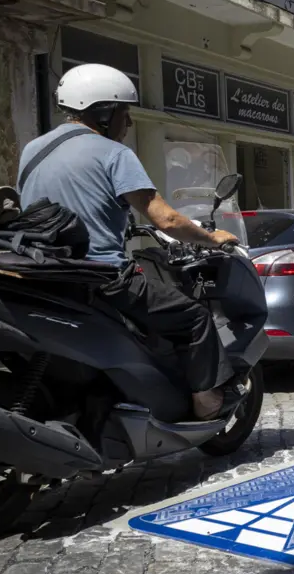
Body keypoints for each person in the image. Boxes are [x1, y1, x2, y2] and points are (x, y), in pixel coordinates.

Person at [18, 64, 242, 420]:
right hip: (102, 276)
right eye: (125, 112)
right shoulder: (114, 154)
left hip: (45, 274)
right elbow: (165, 219)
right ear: (104, 112)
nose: (129, 123)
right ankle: (207, 405)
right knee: (194, 318)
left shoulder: (32, 150)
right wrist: (212, 238)